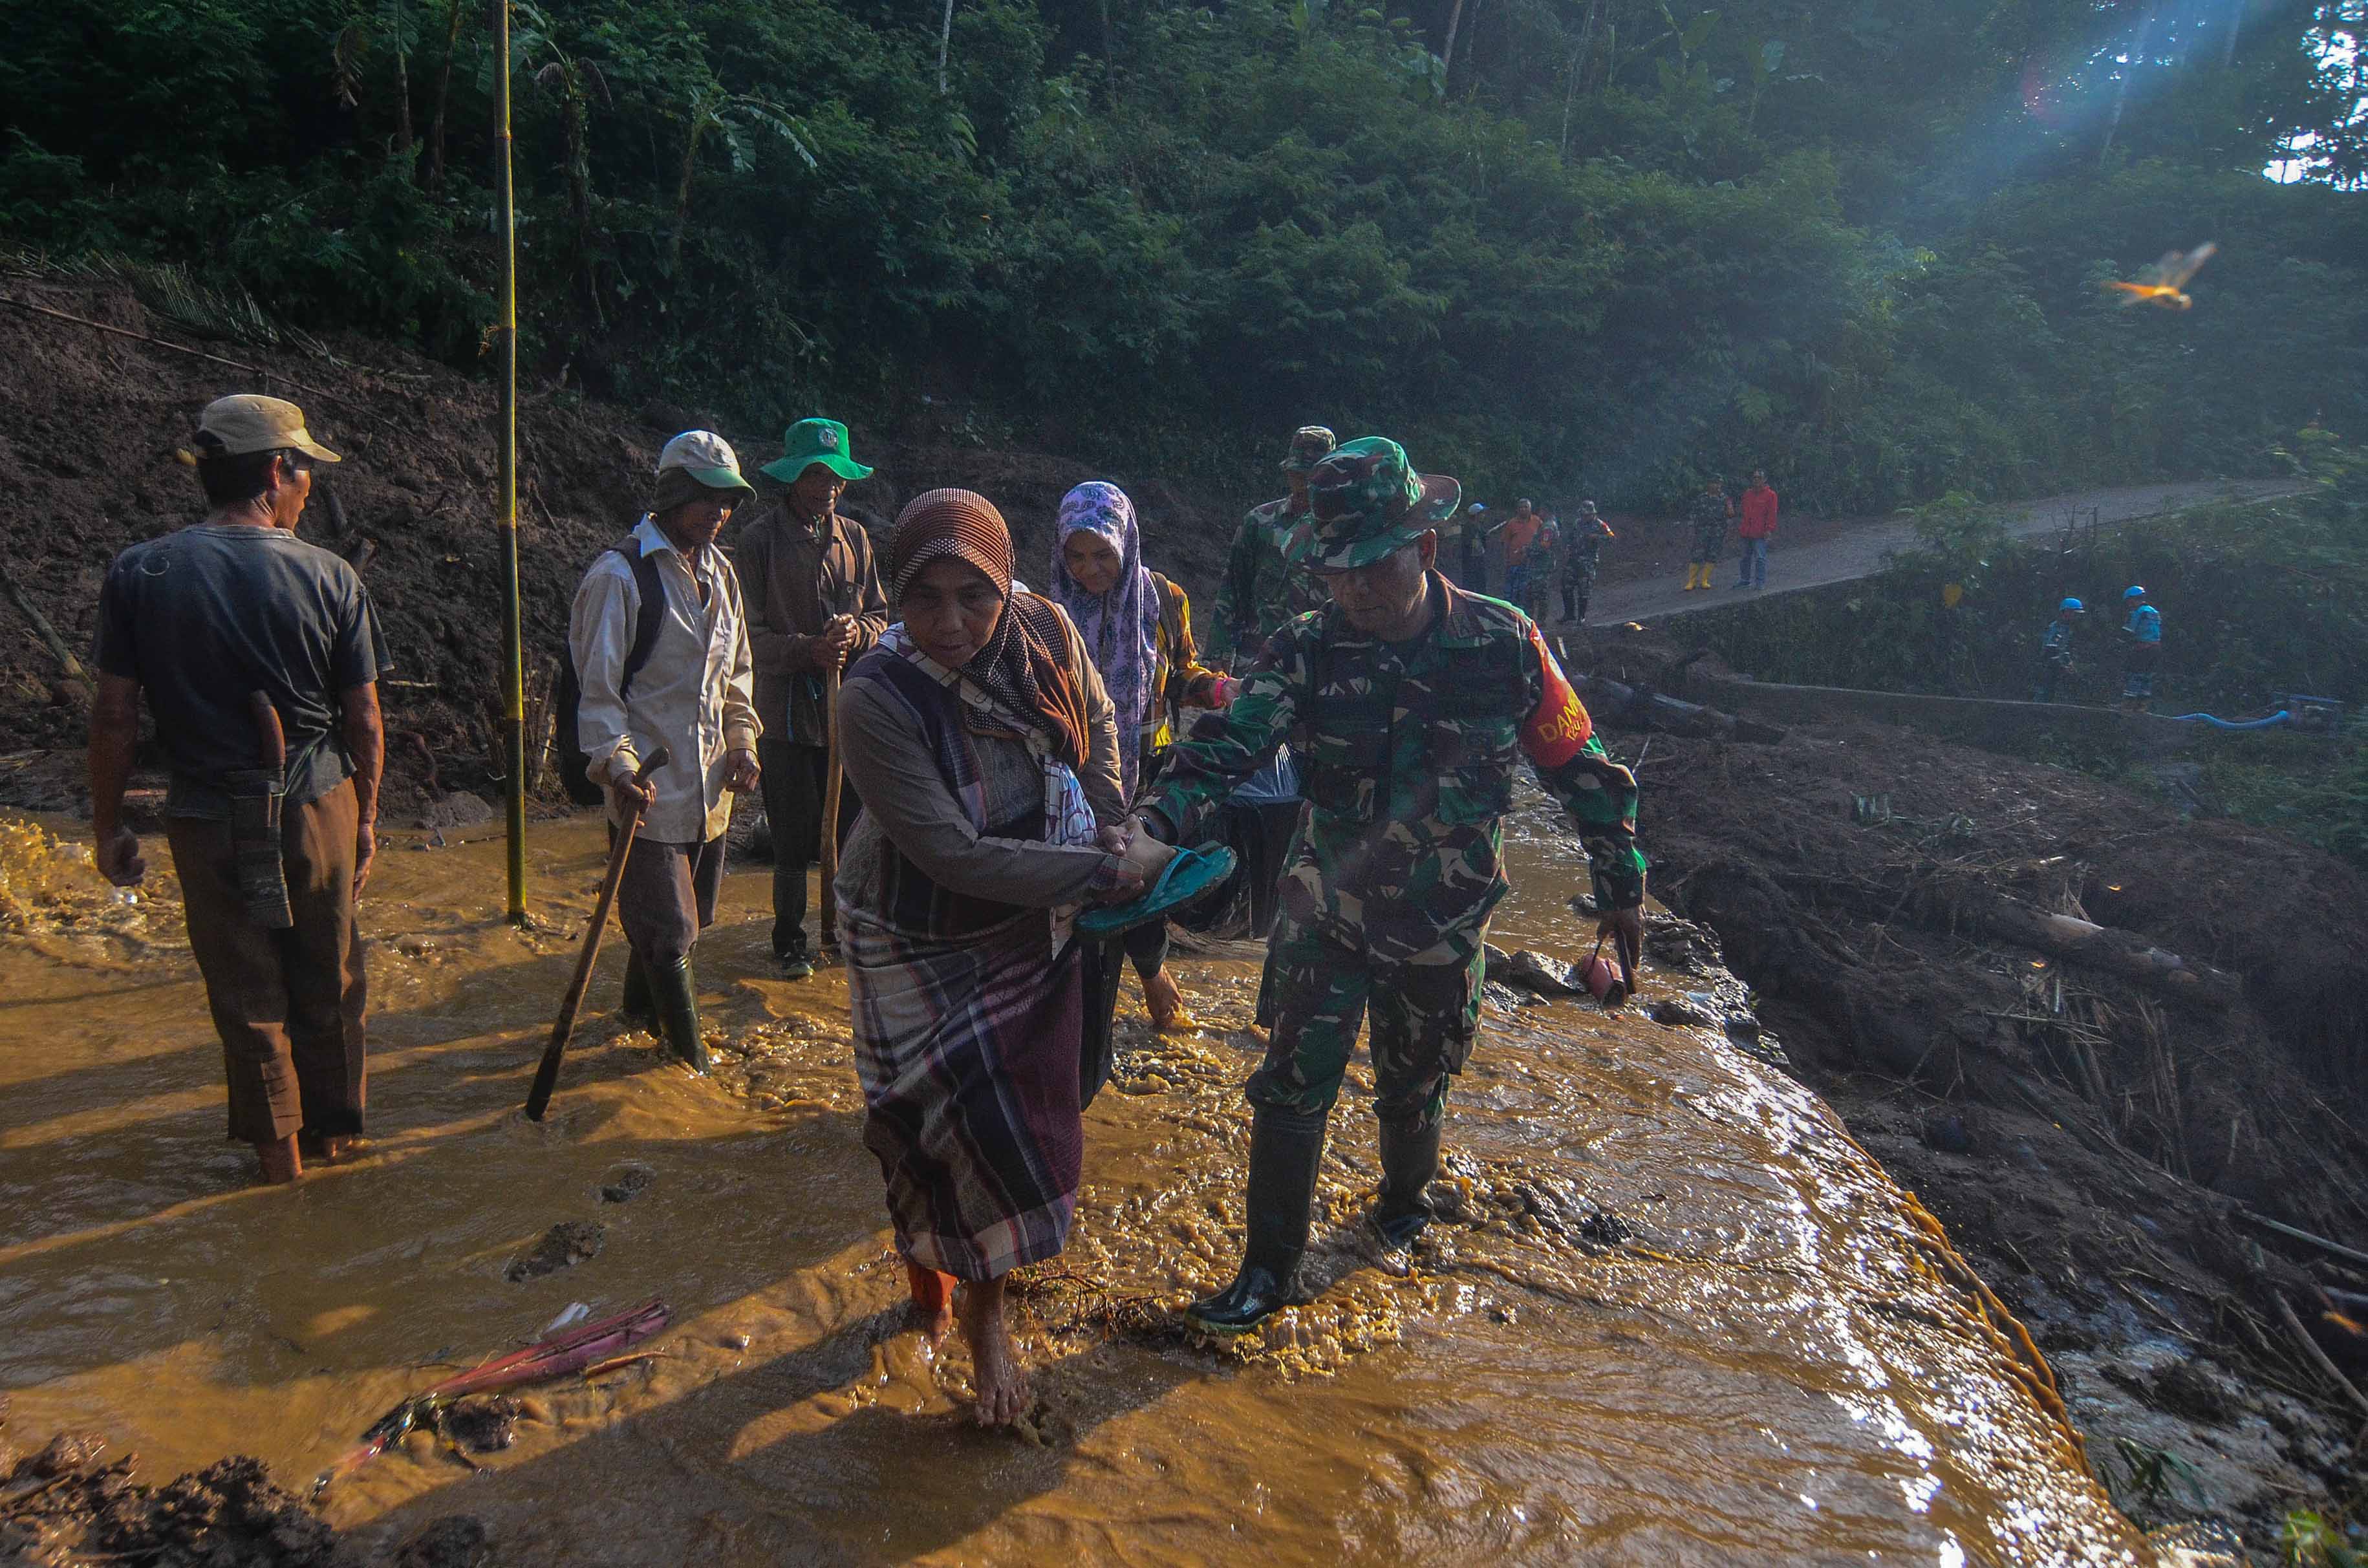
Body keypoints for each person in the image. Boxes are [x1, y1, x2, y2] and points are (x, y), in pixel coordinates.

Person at [1125, 437, 1649, 1336]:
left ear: (1426, 548)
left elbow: (1580, 766)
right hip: (1324, 911)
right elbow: (1227, 746)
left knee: (1414, 1085)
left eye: (1375, 566)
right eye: (1338, 571)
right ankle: (1265, 1272)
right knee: (1290, 1087)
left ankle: (1401, 1212)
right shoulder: (1307, 646)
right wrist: (1155, 826)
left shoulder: (1504, 643)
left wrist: (1620, 885)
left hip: (1442, 923)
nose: (1357, 588)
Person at [834, 488, 1149, 1425]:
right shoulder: (875, 697)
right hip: (914, 929)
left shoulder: (1045, 629)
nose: (950, 623)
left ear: (1006, 585)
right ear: (896, 598)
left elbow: (1097, 723)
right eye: (923, 599)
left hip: (1032, 914)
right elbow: (951, 854)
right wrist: (1099, 872)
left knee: (1009, 1133)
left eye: (972, 595)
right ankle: (929, 1290)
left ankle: (988, 1313)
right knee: (923, 1133)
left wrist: (1110, 820)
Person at [88, 394, 386, 1185]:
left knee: (245, 992)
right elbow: (363, 716)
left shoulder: (142, 571)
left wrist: (107, 826)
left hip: (205, 811)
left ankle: (280, 1171)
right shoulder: (329, 575)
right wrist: (365, 819)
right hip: (317, 802)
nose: (309, 487)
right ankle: (336, 1150)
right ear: (276, 471)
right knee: (330, 978)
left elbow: (115, 715)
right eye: (305, 469)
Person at [570, 431, 762, 1074]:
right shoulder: (618, 577)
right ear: (674, 493)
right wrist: (619, 767)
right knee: (674, 930)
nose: (718, 513)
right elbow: (599, 695)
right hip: (646, 792)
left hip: (708, 790)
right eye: (707, 498)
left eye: (727, 501)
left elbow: (736, 675)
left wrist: (742, 742)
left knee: (688, 919)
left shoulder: (721, 575)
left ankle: (635, 1021)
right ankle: (691, 1069)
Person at [1050, 482, 1227, 1036]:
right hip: (1074, 770)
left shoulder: (1164, 600)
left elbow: (1181, 675)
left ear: (1125, 544)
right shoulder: (1048, 612)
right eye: (1076, 556)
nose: (1090, 569)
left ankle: (1150, 977)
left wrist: (1221, 690)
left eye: (1103, 554)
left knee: (1137, 878)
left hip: (1147, 767)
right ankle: (1085, 1007)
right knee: (1084, 883)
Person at [739, 417, 889, 980]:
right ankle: (790, 941)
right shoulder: (758, 542)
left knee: (850, 828)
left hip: (843, 713)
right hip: (783, 714)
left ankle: (843, 930)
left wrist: (855, 634)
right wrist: (809, 649)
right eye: (817, 475)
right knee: (791, 837)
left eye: (836, 477)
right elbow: (748, 638)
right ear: (793, 478)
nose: (828, 487)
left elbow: (881, 617)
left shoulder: (855, 538)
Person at [1209, 425, 1335, 668]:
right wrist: (1217, 654)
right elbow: (1232, 589)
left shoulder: (1340, 530)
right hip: (1256, 659)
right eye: (1297, 474)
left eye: (1311, 476)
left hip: (1315, 663)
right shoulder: (1260, 522)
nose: (1303, 484)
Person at [1558, 501, 1615, 625]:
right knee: (1566, 586)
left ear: (1592, 514)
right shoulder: (1577, 523)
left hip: (1588, 562)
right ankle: (1569, 614)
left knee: (1583, 589)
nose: (1584, 517)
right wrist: (1568, 547)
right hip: (1574, 560)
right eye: (1583, 515)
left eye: (1587, 515)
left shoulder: (1600, 525)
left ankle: (1581, 616)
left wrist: (1597, 537)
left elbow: (1611, 538)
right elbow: (1571, 537)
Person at [1682, 478, 1730, 592]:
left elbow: (1730, 514)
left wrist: (1729, 508)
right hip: (1702, 531)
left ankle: (1704, 580)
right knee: (1697, 555)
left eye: (1719, 483)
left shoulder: (1725, 498)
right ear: (1709, 484)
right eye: (1715, 483)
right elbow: (1694, 513)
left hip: (1717, 532)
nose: (1717, 486)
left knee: (1712, 555)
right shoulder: (1701, 498)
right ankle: (1691, 581)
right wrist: (1693, 526)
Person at [2120, 585, 2162, 713]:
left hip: (2143, 648)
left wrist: (2119, 643)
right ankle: (2142, 706)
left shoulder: (2138, 612)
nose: (2129, 605)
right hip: (2156, 648)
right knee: (2147, 677)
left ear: (2132, 599)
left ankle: (2128, 705)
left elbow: (2128, 631)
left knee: (2134, 675)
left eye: (2129, 601)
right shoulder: (2154, 612)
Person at [2034, 597, 2084, 703]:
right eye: (2075, 613)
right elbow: (2050, 651)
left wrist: (2069, 663)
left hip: (2059, 668)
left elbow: (2064, 649)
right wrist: (2064, 666)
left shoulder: (2068, 628)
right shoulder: (2055, 628)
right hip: (2048, 668)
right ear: (2066, 612)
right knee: (2044, 696)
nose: (2077, 617)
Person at [1496, 499, 1543, 610]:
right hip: (1514, 563)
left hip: (1531, 564)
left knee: (1527, 592)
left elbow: (1543, 539)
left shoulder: (1537, 521)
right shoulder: (1512, 524)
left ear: (1530, 508)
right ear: (1517, 509)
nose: (1523, 509)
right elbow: (1505, 543)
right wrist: (1506, 560)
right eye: (1521, 507)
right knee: (1511, 592)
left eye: (1526, 507)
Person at [1736, 469, 1778, 590]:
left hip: (1760, 532)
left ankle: (1760, 582)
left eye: (1759, 478)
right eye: (1754, 477)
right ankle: (1745, 580)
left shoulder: (1771, 495)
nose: (1756, 480)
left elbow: (1772, 514)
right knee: (1745, 557)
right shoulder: (1748, 494)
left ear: (1765, 480)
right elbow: (1744, 511)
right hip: (1746, 531)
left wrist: (1769, 529)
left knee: (1760, 558)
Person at [1457, 502, 1489, 593]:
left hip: (1478, 560)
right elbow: (1471, 545)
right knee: (1471, 584)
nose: (1484, 515)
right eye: (1482, 513)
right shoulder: (1469, 528)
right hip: (1471, 561)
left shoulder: (1479, 527)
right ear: (1476, 515)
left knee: (1480, 584)